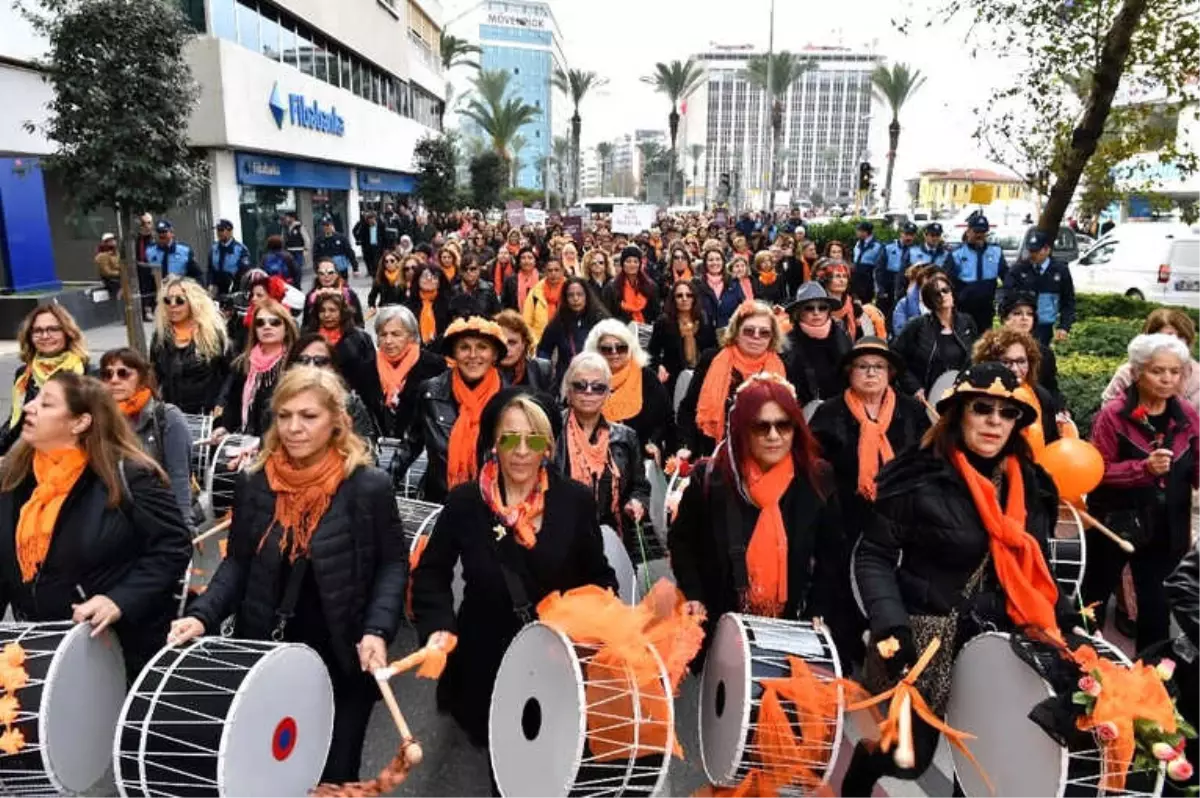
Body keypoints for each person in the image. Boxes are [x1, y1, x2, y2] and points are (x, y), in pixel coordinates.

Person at [169, 367, 406, 785]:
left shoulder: (368, 486)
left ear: (336, 420)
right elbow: (239, 562)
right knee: (273, 767)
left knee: (334, 775)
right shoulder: (255, 482)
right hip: (269, 649)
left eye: (309, 416)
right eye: (284, 415)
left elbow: (392, 563)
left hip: (343, 655)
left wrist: (376, 630)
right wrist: (202, 615)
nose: (294, 428)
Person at [845, 363, 1064, 795]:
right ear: (959, 412)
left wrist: (1066, 624)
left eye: (1008, 413)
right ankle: (863, 771)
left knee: (985, 765)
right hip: (924, 638)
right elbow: (874, 555)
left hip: (999, 643)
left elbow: (1037, 568)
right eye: (982, 408)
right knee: (908, 758)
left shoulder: (1032, 484)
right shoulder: (918, 475)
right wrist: (890, 624)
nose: (994, 422)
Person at [411, 390, 617, 754]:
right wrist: (439, 627)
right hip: (486, 661)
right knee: (505, 764)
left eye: (534, 438)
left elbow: (598, 576)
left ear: (549, 446)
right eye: (509, 437)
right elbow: (431, 573)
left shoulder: (575, 501)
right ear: (493, 442)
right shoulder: (465, 502)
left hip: (556, 661)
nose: (522, 450)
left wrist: (599, 619)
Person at [0, 371, 190, 677]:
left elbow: (173, 547)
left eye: (46, 404)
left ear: (80, 422)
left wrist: (120, 600)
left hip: (111, 649)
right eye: (34, 399)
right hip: (37, 645)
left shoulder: (128, 476)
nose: (30, 407)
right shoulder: (14, 476)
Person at [669, 372, 853, 653]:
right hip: (723, 626)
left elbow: (832, 554)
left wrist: (819, 607)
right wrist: (693, 594)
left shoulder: (817, 478)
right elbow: (682, 541)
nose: (774, 436)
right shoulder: (712, 477)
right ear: (742, 429)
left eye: (784, 425)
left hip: (795, 625)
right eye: (761, 427)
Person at [1083, 333, 1200, 652]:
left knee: (1157, 608)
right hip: (1115, 521)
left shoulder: (1187, 415)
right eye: (1157, 370)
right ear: (1137, 372)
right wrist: (1142, 469)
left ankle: (1151, 684)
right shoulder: (1114, 415)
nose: (1167, 379)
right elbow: (1097, 471)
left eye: (1175, 371)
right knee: (1092, 599)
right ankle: (1077, 671)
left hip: (1167, 526)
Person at [809, 337, 930, 548]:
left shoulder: (913, 410)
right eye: (863, 366)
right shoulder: (829, 412)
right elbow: (813, 464)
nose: (871, 373)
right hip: (845, 522)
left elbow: (930, 458)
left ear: (890, 373)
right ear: (850, 371)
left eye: (879, 366)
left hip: (904, 518)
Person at [397, 317, 506, 502]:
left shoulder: (509, 400)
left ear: (494, 355)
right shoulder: (430, 392)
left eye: (482, 347)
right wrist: (382, 488)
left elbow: (527, 449)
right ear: (454, 354)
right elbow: (410, 445)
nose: (473, 355)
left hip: (496, 503)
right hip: (440, 500)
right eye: (464, 347)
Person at [555, 353, 650, 536]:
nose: (588, 392)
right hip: (560, 535)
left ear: (608, 394)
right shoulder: (551, 431)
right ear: (568, 391)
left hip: (610, 535)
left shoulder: (626, 437)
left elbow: (640, 487)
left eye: (598, 387)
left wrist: (637, 503)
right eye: (580, 385)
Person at [677, 301, 788, 458]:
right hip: (716, 454)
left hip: (765, 456)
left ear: (772, 337)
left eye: (764, 333)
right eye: (749, 331)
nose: (756, 336)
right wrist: (686, 446)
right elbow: (687, 409)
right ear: (736, 332)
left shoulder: (782, 367)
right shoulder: (711, 359)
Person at [100, 348, 193, 527]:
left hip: (158, 516)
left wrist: (184, 525)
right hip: (115, 520)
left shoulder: (167, 416)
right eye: (107, 374)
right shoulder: (97, 420)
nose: (114, 380)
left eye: (123, 373)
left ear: (142, 378)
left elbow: (179, 475)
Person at [0, 304, 90, 456]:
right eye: (37, 331)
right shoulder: (24, 374)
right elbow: (16, 421)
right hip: (28, 450)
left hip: (70, 454)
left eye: (53, 329)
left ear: (67, 332)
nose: (45, 336)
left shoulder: (86, 373)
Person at [213, 299, 300, 440]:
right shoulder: (242, 363)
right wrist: (224, 427)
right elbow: (233, 404)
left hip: (281, 441)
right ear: (255, 329)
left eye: (274, 322)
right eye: (260, 323)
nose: (267, 327)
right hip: (245, 441)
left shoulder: (295, 364)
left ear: (286, 327)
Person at [583, 319, 671, 454]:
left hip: (639, 457)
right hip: (592, 454)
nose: (614, 353)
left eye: (621, 348)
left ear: (630, 349)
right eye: (606, 349)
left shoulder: (646, 377)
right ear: (596, 351)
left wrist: (653, 442)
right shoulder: (584, 378)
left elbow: (665, 420)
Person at [150, 276, 230, 415]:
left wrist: (221, 402)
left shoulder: (212, 334)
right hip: (172, 414)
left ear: (193, 302)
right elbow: (154, 375)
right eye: (167, 300)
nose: (172, 305)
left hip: (207, 414)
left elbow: (229, 373)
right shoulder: (161, 337)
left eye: (180, 300)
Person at [973, 327, 1065, 448]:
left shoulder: (1041, 396)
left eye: (1021, 361)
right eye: (1006, 362)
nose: (1015, 369)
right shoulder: (975, 395)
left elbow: (1051, 443)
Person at [893, 272, 977, 399]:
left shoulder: (967, 322)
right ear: (929, 300)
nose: (942, 295)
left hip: (959, 395)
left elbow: (975, 357)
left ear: (952, 292)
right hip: (926, 397)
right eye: (936, 293)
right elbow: (896, 357)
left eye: (945, 290)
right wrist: (914, 388)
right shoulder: (916, 325)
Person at [370, 305, 446, 440]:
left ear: (411, 336)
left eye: (396, 334)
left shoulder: (434, 366)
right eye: (383, 334)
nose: (388, 341)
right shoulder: (367, 366)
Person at [1102, 307, 1200, 412]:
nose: (1174, 343)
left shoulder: (1197, 375)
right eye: (1166, 337)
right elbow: (1108, 409)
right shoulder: (1127, 373)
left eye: (1181, 337)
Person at [283, 335, 378, 440]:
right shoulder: (278, 402)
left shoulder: (350, 404)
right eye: (303, 360)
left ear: (333, 367)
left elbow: (366, 450)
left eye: (321, 361)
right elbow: (268, 449)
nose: (311, 366)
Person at [305, 290, 379, 415]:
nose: (327, 315)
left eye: (332, 310)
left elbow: (371, 376)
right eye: (322, 311)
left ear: (342, 312)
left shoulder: (360, 338)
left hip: (352, 403)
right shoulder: (308, 337)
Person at [649, 278, 718, 402]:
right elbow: (652, 351)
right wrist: (658, 366)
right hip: (673, 377)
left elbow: (712, 347)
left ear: (694, 298)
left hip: (700, 376)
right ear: (673, 299)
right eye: (679, 296)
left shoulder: (703, 318)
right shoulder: (664, 321)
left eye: (689, 295)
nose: (684, 299)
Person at [784, 282, 853, 407]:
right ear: (799, 312)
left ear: (828, 311)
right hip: (805, 412)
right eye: (809, 308)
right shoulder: (787, 343)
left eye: (822, 307)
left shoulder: (842, 336)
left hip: (842, 409)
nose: (816, 312)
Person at [1003, 229, 1076, 346]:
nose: (1033, 254)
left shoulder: (1060, 271)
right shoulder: (1018, 269)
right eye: (1031, 250)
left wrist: (1064, 326)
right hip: (1022, 326)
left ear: (1047, 250)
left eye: (1037, 251)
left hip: (1046, 326)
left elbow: (1068, 301)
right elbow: (1006, 298)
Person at [949, 214, 1006, 333]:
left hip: (986, 308)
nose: (980, 235)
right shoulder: (957, 254)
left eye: (983, 232)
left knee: (984, 344)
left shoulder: (995, 252)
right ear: (968, 231)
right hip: (964, 308)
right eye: (976, 231)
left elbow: (1007, 277)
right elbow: (948, 280)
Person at [999, 291, 1060, 397]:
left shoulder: (1044, 353)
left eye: (1030, 314)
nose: (1024, 318)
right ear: (1005, 319)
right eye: (1017, 313)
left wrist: (1060, 408)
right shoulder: (991, 348)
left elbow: (1052, 389)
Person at [494, 310, 553, 395]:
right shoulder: (482, 372)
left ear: (524, 344)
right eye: (500, 342)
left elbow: (551, 405)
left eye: (512, 342)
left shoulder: (542, 370)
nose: (506, 349)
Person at [818, 260, 879, 341]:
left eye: (844, 276)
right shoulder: (818, 305)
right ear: (826, 280)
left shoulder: (854, 306)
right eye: (837, 276)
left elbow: (865, 336)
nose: (842, 280)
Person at [604, 245, 660, 325]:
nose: (632, 264)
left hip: (646, 330)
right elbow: (608, 314)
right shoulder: (612, 287)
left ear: (640, 264)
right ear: (622, 264)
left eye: (635, 261)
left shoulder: (650, 286)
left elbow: (656, 313)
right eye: (628, 261)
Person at [877, 222, 918, 328]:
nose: (909, 237)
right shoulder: (889, 247)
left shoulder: (916, 251)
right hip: (889, 282)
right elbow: (880, 269)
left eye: (911, 235)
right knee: (885, 313)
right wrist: (881, 288)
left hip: (906, 283)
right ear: (901, 233)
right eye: (906, 234)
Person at [304, 258, 365, 327]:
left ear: (336, 274)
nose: (326, 276)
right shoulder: (311, 296)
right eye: (322, 273)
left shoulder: (349, 294)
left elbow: (359, 322)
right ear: (317, 275)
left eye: (330, 272)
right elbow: (306, 324)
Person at [521, 256, 566, 347]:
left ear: (562, 271)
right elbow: (526, 322)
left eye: (556, 270)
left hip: (565, 343)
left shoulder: (570, 291)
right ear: (545, 272)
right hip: (540, 343)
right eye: (550, 270)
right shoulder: (535, 293)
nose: (553, 273)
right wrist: (534, 343)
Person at [404, 264, 453, 345]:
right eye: (424, 276)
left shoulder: (449, 304)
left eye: (434, 277)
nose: (429, 279)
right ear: (418, 280)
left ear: (439, 282)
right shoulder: (408, 306)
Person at [696, 246, 743, 329]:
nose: (715, 263)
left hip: (729, 331)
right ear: (705, 263)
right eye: (711, 260)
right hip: (704, 333)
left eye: (718, 259)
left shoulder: (733, 282)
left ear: (723, 262)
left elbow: (741, 306)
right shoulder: (697, 283)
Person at [145, 219, 202, 288]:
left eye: (164, 231)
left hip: (179, 291)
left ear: (172, 233)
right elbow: (146, 275)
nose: (161, 235)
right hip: (157, 293)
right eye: (159, 232)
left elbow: (197, 275)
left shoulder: (184, 251)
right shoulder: (149, 251)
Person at [449, 253, 501, 320]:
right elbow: (450, 316)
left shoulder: (488, 289)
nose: (468, 272)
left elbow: (496, 314)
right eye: (465, 269)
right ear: (461, 271)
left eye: (473, 269)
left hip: (484, 328)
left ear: (479, 270)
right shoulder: (454, 291)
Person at [208, 220, 251, 297]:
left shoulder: (240, 249)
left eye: (221, 230)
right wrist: (210, 284)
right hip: (216, 289)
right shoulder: (214, 248)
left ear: (230, 231)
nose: (218, 233)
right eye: (217, 230)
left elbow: (245, 272)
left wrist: (236, 288)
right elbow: (210, 269)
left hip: (234, 288)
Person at [312, 216, 358, 280]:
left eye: (328, 225)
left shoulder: (341, 237)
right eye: (324, 225)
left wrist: (355, 268)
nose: (326, 227)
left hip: (341, 268)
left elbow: (349, 252)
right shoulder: (319, 240)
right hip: (326, 270)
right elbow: (315, 255)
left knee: (343, 287)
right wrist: (316, 268)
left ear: (332, 225)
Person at [851, 221, 886, 304]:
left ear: (865, 232)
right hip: (856, 279)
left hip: (868, 280)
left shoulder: (877, 246)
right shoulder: (858, 244)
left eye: (859, 230)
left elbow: (879, 267)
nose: (857, 232)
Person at [501, 246, 540, 312]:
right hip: (516, 319)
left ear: (535, 261)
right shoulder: (510, 280)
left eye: (530, 258)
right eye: (523, 258)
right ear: (519, 261)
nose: (526, 261)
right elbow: (504, 303)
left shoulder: (542, 279)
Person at [352, 210, 383, 279]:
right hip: (368, 247)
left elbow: (384, 236)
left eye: (372, 219)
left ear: (375, 218)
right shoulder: (364, 226)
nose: (371, 222)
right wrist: (358, 240)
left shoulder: (381, 225)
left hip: (378, 247)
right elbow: (356, 232)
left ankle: (377, 276)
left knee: (377, 263)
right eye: (369, 220)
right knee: (370, 262)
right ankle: (372, 275)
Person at [282, 211, 311, 275]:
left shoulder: (299, 226)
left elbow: (306, 238)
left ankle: (298, 281)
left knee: (298, 268)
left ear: (292, 218)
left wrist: (306, 249)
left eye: (287, 217)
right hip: (289, 250)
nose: (286, 219)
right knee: (290, 268)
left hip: (298, 251)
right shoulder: (286, 227)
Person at [95, 232, 122, 299]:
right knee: (120, 290)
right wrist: (120, 273)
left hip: (119, 277)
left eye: (114, 239)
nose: (114, 241)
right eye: (111, 240)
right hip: (110, 280)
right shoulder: (102, 255)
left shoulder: (116, 253)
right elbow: (107, 272)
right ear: (106, 242)